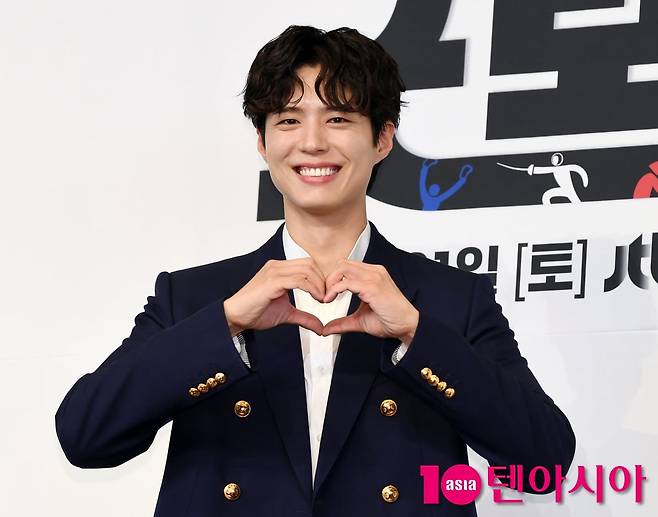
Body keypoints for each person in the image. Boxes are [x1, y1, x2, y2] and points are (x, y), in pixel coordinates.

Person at [55, 25, 576, 516]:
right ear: (263, 143)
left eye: (338, 118)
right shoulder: (194, 297)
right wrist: (225, 323)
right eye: (288, 120)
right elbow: (85, 436)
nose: (312, 142)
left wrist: (417, 336)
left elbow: (545, 466)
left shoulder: (448, 298)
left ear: (382, 139)